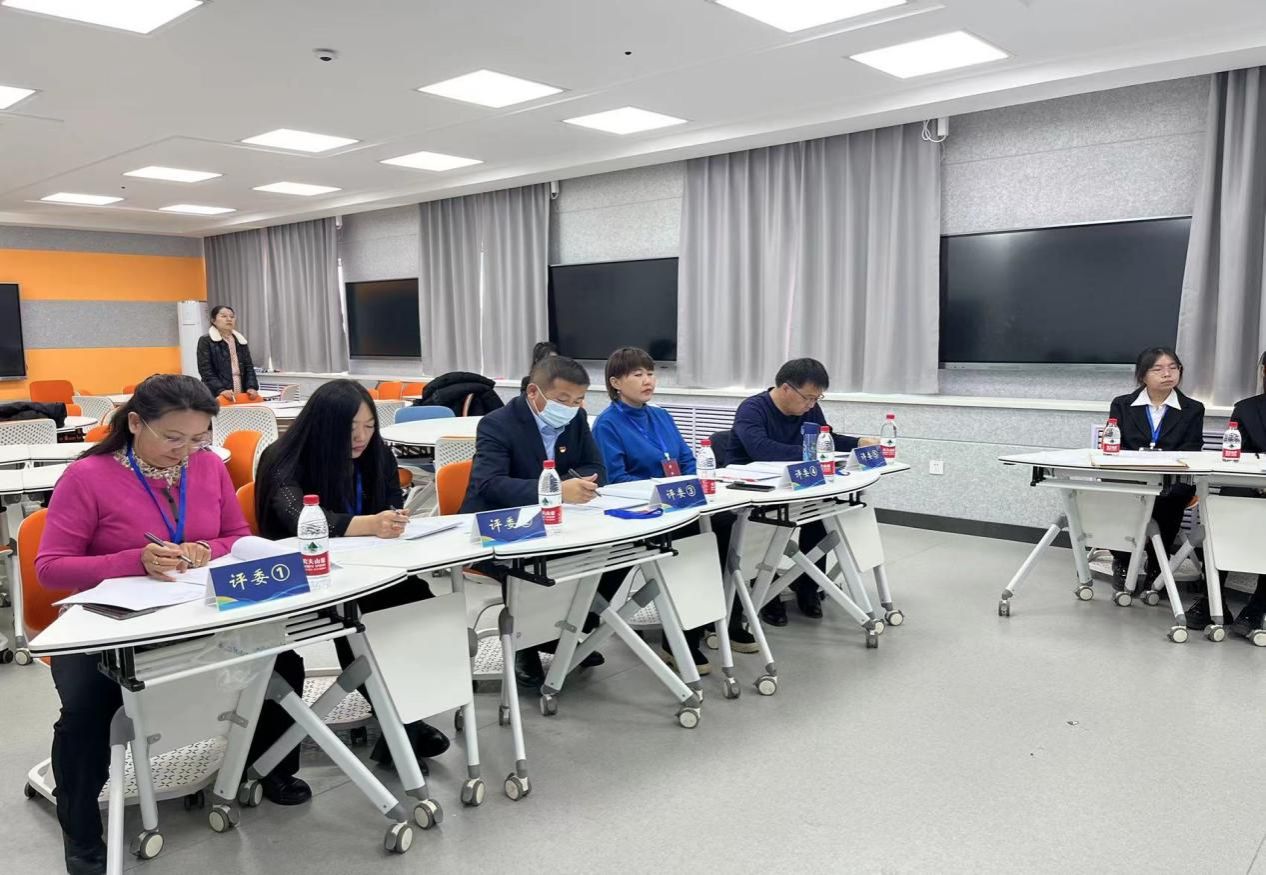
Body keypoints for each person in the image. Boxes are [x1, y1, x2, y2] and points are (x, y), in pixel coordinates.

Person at [35, 374, 308, 875]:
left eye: (199, 438)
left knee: (282, 664)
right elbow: (50, 569)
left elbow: (236, 536)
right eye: (173, 438)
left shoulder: (207, 466)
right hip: (107, 625)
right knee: (87, 713)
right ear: (136, 423)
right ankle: (82, 832)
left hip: (192, 611)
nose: (185, 452)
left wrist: (205, 548)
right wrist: (134, 560)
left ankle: (268, 768)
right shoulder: (87, 476)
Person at [254, 379, 449, 768]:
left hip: (369, 568)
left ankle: (405, 719)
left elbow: (390, 501)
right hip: (306, 577)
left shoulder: (376, 454)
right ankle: (402, 726)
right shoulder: (284, 457)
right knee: (358, 623)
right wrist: (369, 524)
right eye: (350, 428)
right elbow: (298, 517)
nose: (361, 437)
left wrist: (392, 519)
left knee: (418, 603)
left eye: (369, 426)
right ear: (324, 426)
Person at [592, 347, 756, 674]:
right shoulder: (607, 424)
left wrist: (693, 484)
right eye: (637, 374)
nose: (648, 380)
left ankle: (724, 617)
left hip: (679, 502)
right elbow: (617, 479)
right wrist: (665, 491)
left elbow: (685, 460)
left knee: (727, 525)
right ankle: (679, 637)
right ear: (615, 382)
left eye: (650, 373)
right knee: (696, 541)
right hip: (644, 511)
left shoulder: (661, 416)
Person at [460, 354, 609, 687]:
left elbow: (596, 467)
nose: (571, 408)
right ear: (533, 392)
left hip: (555, 524)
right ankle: (525, 645)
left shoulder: (575, 419)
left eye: (578, 400)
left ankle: (563, 631)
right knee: (533, 564)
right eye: (562, 400)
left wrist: (576, 485)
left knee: (607, 554)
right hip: (498, 527)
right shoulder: (497, 423)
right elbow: (489, 484)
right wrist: (556, 490)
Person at [729, 357, 876, 625]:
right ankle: (765, 591)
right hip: (756, 491)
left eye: (817, 399)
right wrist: (814, 454)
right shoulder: (752, 409)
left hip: (794, 486)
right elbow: (761, 450)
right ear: (786, 388)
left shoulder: (810, 409)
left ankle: (808, 586)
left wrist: (858, 442)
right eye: (808, 398)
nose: (811, 405)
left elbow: (826, 439)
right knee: (767, 528)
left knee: (821, 513)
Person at [1106, 347, 1206, 597]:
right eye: (1158, 369)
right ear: (1142, 375)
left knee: (1171, 495)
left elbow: (1192, 449)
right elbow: (1114, 444)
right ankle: (1122, 559)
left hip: (1171, 479)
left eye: (1173, 368)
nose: (1167, 374)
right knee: (1118, 493)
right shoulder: (1122, 404)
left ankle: (1156, 564)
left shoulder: (1193, 408)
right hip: (1131, 477)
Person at [1197, 350, 1266, 631]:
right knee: (1223, 509)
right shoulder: (1246, 409)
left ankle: (1257, 607)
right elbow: (1237, 455)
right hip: (1251, 484)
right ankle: (1212, 600)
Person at [196, 305, 260, 403]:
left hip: (240, 388)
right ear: (213, 320)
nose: (229, 319)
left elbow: (249, 367)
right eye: (224, 316)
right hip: (216, 392)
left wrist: (251, 386)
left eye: (232, 316)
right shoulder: (206, 340)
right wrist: (221, 390)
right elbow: (206, 371)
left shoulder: (240, 340)